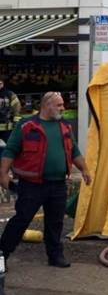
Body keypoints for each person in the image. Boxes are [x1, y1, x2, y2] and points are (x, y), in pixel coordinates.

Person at [0, 92, 92, 268]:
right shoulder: (27, 126)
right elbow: (10, 150)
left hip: (57, 184)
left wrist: (85, 169)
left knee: (55, 222)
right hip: (32, 185)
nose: (63, 108)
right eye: (59, 105)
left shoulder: (64, 127)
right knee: (22, 220)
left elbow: (74, 151)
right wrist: (3, 173)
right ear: (46, 105)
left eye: (63, 105)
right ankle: (3, 254)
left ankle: (55, 256)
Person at [0, 79, 20, 143]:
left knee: (10, 147)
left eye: (0, 83)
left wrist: (16, 122)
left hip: (7, 128)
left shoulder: (10, 94)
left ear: (3, 84)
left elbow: (17, 108)